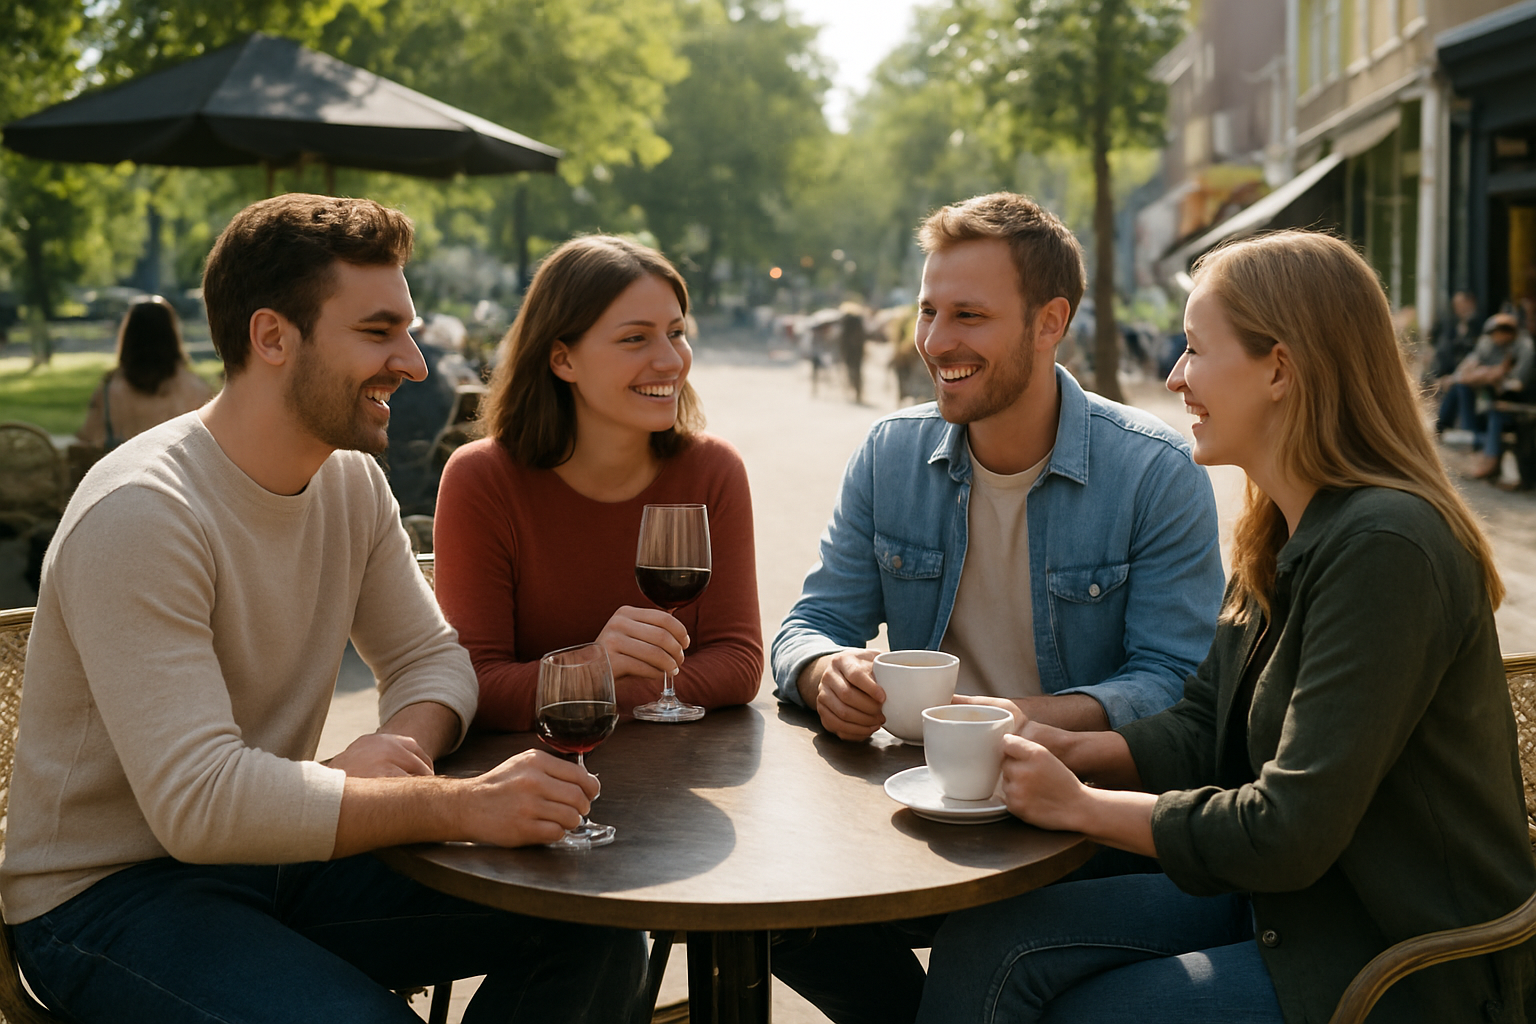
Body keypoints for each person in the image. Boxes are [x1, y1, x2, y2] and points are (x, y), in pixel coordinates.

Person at [3, 194, 647, 1023]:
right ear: (272, 337)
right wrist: (459, 802)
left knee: (595, 925)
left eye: (408, 330)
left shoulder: (348, 480)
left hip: (276, 850)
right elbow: (199, 805)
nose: (414, 363)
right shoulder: (143, 513)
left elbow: (432, 661)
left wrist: (397, 744)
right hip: (107, 897)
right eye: (379, 332)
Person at [917, 230, 1535, 1024]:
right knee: (984, 941)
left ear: (1279, 367)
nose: (1174, 377)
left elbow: (1288, 830)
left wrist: (1079, 804)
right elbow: (1208, 722)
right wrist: (1065, 746)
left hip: (1394, 955)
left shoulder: (1387, 547)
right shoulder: (1281, 527)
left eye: (1194, 350)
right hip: (1287, 904)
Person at [768, 192, 1225, 1024]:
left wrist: (1022, 717)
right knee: (778, 913)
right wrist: (823, 669)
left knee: (997, 951)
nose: (938, 341)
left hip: (1084, 835)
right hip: (923, 814)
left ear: (1050, 322)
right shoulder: (890, 454)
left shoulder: (1155, 473)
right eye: (929, 311)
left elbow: (1182, 688)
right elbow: (811, 623)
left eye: (970, 315)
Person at [432, 235, 762, 731]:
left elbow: (738, 662)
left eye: (676, 332)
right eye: (636, 338)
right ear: (562, 359)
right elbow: (473, 682)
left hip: (680, 781)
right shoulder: (482, 480)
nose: (671, 361)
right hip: (530, 788)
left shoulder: (713, 471)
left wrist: (579, 686)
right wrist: (596, 665)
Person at [76, 294, 213, 450]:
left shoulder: (109, 390)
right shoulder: (197, 389)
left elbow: (87, 441)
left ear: (128, 335)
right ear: (172, 334)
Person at [1451, 312, 1536, 480]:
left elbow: (1518, 384)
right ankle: (1472, 438)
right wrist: (1486, 376)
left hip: (1521, 402)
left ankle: (1489, 460)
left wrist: (1495, 379)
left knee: (1496, 413)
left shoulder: (1524, 346)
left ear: (1506, 332)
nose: (1493, 338)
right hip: (1496, 398)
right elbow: (1467, 371)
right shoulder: (1493, 345)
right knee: (1461, 388)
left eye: (1495, 334)